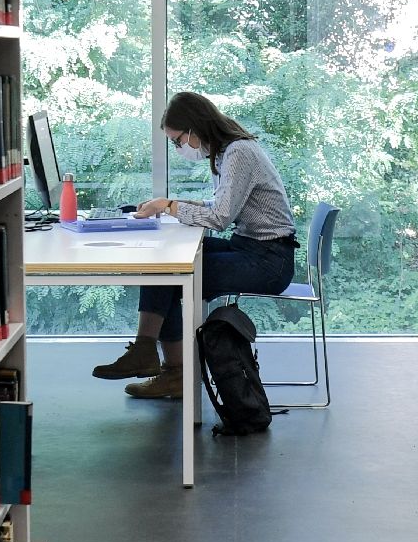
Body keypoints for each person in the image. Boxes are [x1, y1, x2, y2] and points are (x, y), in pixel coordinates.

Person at [92, 92, 297, 399]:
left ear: (194, 128)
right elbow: (218, 203)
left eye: (177, 141)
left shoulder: (239, 152)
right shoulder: (228, 151)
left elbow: (219, 217)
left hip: (269, 261)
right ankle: (157, 360)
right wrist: (166, 206)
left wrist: (172, 205)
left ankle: (165, 366)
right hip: (250, 247)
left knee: (173, 274)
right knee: (162, 263)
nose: (178, 148)